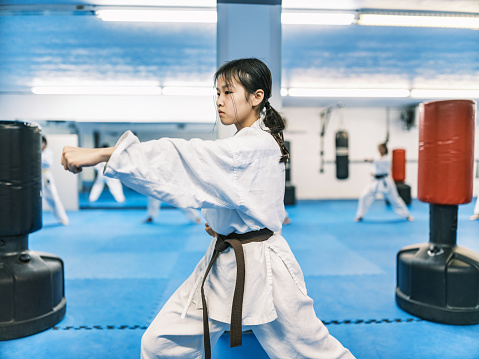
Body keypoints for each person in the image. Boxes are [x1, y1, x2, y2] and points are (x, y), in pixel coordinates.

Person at [61, 58, 354, 359]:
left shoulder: (256, 144)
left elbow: (188, 156)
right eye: (217, 93)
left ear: (257, 97)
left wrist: (102, 153)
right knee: (159, 343)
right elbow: (241, 195)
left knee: (317, 352)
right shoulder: (248, 142)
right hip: (223, 261)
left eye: (228, 92)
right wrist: (222, 223)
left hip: (266, 272)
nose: (219, 101)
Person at [355, 143, 414, 222]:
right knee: (364, 196)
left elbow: (377, 162)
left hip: (386, 182)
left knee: (395, 199)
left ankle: (407, 215)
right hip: (375, 182)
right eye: (378, 148)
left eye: (381, 148)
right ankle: (360, 215)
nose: (379, 150)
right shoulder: (378, 157)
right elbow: (376, 167)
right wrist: (373, 173)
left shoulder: (387, 158)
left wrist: (369, 160)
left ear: (385, 149)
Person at [41, 136, 69, 226]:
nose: (40, 145)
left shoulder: (48, 152)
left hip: (46, 176)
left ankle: (63, 218)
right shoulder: (34, 151)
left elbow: (48, 163)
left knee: (54, 198)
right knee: (36, 200)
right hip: (37, 176)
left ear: (45, 143)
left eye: (42, 142)